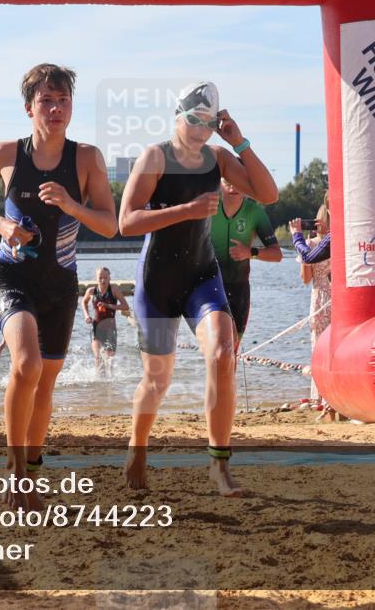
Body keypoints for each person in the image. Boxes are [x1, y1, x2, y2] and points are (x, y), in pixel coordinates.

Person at [0, 63, 116, 510]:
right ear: (29, 108)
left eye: (63, 100)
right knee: (25, 365)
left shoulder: (86, 159)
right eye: (46, 100)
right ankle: (15, 474)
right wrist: (2, 224)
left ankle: (32, 470)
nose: (55, 108)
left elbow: (110, 224)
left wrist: (70, 203)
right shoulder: (8, 154)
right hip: (11, 277)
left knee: (45, 384)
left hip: (61, 284)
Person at [118, 81, 278, 498]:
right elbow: (127, 222)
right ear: (178, 115)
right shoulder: (156, 157)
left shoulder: (218, 158)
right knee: (157, 380)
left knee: (223, 355)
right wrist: (186, 211)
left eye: (210, 123)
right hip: (157, 281)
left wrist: (239, 143)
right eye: (195, 120)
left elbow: (268, 193)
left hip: (202, 276)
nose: (202, 130)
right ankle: (137, 447)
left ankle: (219, 465)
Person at [209, 177, 282, 348]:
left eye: (238, 182)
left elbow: (277, 254)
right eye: (228, 181)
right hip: (210, 287)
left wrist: (250, 252)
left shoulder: (255, 213)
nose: (233, 186)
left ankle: (229, 375)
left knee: (233, 348)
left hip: (239, 288)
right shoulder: (209, 208)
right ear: (219, 183)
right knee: (217, 346)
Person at [295, 193, 332, 413]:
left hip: (319, 298)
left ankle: (319, 397)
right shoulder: (338, 240)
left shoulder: (309, 245)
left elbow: (306, 278)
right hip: (338, 296)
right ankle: (335, 396)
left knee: (318, 347)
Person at [82, 267, 131, 377]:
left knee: (109, 360)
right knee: (98, 357)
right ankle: (98, 383)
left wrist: (107, 305)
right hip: (96, 328)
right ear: (96, 279)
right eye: (100, 278)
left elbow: (125, 306)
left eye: (105, 278)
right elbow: (83, 302)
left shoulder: (114, 290)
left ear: (109, 278)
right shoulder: (91, 291)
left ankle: (109, 385)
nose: (103, 280)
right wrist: (86, 315)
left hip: (110, 329)